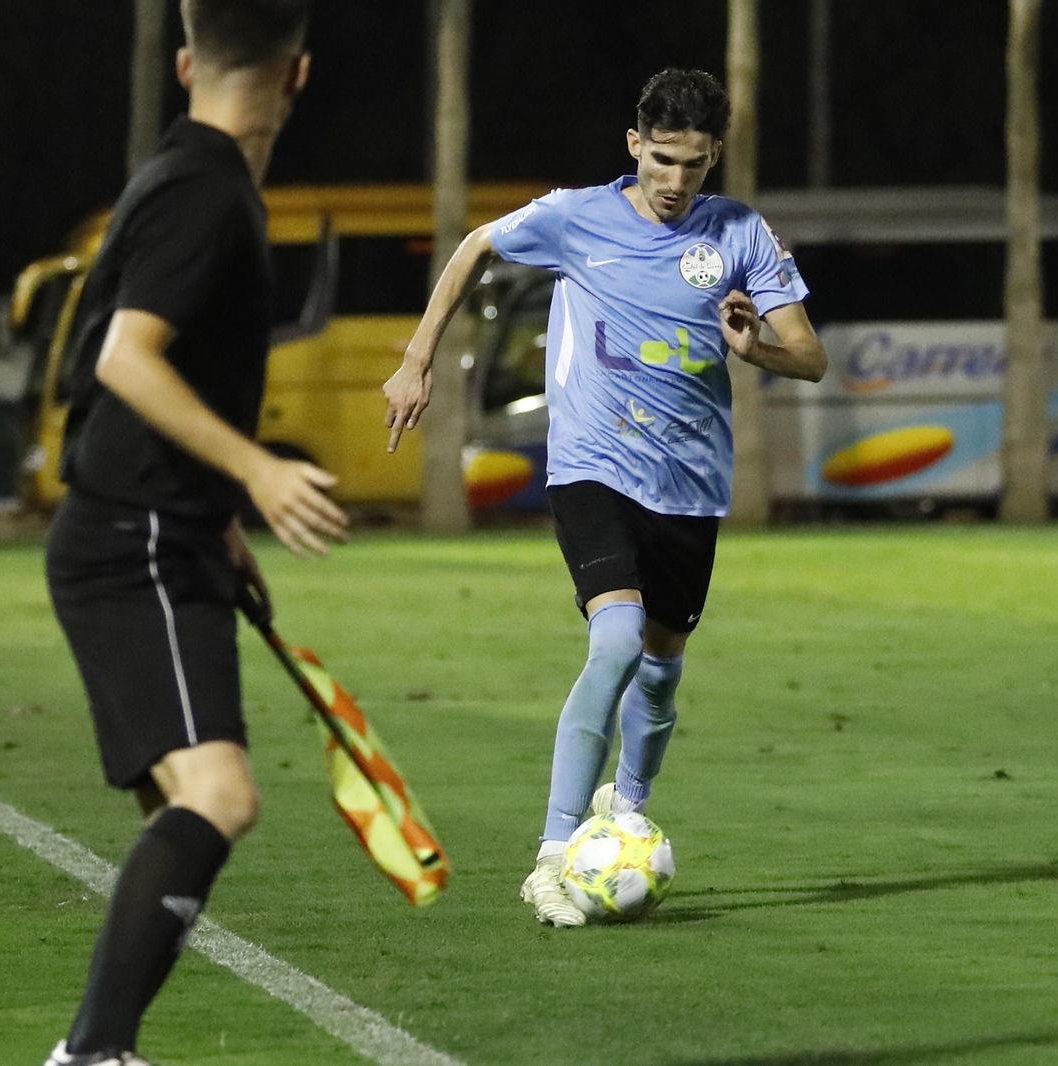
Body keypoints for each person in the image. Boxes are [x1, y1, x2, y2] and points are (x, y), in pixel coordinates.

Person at [384, 68, 827, 926]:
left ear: (714, 157)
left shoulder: (740, 233)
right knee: (617, 638)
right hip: (592, 464)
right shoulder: (574, 217)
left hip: (690, 484)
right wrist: (416, 357)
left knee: (659, 675)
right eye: (662, 160)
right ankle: (553, 856)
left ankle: (625, 808)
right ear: (635, 146)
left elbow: (809, 356)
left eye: (693, 164)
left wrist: (755, 350)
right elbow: (476, 245)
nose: (675, 180)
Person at [41, 3, 346, 1063]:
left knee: (183, 804)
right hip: (136, 542)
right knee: (219, 794)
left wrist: (220, 516)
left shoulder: (177, 174)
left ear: (184, 63)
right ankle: (92, 1052)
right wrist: (256, 470)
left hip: (150, 531)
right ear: (298, 74)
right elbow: (125, 358)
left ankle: (100, 1047)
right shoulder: (208, 192)